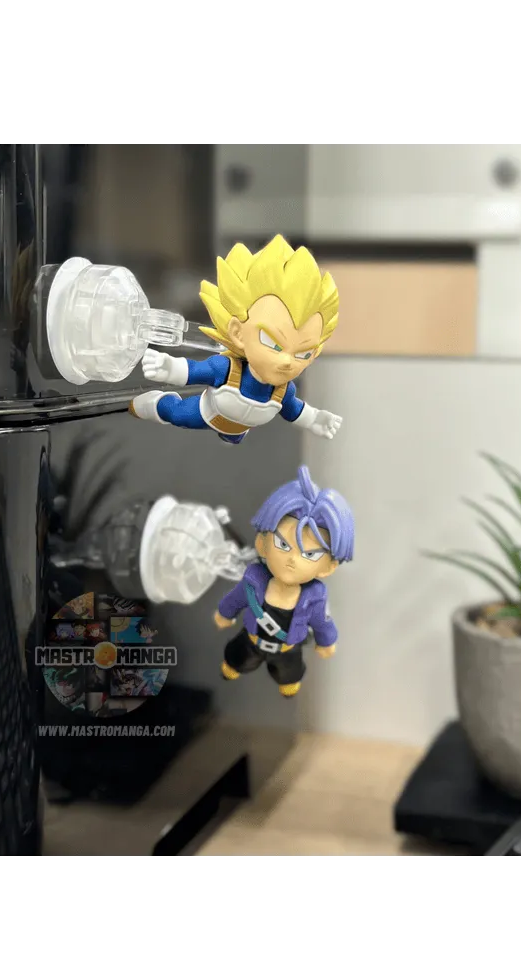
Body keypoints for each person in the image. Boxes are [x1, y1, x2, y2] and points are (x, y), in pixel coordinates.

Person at [130, 235, 343, 445]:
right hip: (206, 415)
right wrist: (169, 368)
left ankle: (231, 435)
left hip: (238, 428)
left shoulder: (283, 391)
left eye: (303, 354)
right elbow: (194, 371)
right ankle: (157, 404)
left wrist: (314, 419)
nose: (288, 361)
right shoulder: (226, 369)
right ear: (238, 333)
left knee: (234, 437)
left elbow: (294, 410)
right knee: (178, 414)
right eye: (273, 343)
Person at [214, 466, 354, 697]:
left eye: (310, 554)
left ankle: (288, 684)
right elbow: (236, 599)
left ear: (328, 567)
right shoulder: (254, 578)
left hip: (287, 648)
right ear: (262, 544)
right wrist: (225, 613)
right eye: (283, 544)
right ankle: (232, 666)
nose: (292, 559)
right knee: (238, 657)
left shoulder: (314, 596)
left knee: (289, 673)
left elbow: (321, 621)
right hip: (251, 639)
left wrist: (326, 641)